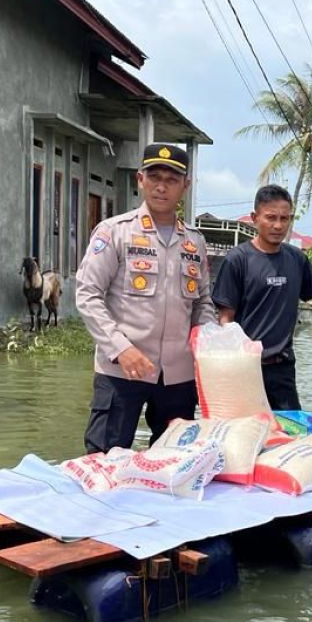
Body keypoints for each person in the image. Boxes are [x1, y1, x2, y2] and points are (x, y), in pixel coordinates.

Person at [75, 142, 216, 452]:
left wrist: (207, 341)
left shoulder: (195, 242)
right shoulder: (114, 232)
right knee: (105, 459)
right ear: (140, 180)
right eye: (154, 177)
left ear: (185, 186)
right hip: (122, 369)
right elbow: (88, 295)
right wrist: (120, 348)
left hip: (177, 376)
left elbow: (203, 301)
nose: (161, 187)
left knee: (175, 463)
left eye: (171, 179)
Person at [211, 184, 312, 410]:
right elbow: (225, 319)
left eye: (285, 218)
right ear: (255, 218)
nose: (278, 225)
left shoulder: (296, 258)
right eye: (271, 217)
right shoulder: (238, 259)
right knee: (246, 434)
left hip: (283, 368)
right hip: (246, 368)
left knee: (291, 434)